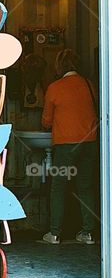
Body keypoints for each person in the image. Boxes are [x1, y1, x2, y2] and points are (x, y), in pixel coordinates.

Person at [40, 49, 99, 244]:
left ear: (59, 66)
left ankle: (55, 233)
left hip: (66, 145)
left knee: (59, 187)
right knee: (86, 187)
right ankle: (87, 233)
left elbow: (46, 122)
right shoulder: (89, 84)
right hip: (89, 143)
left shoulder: (55, 88)